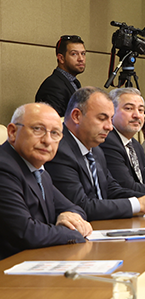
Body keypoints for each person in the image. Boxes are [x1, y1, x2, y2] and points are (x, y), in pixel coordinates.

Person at [45, 87, 145, 221]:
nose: (109, 127)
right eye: (102, 118)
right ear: (76, 116)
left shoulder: (96, 149)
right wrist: (140, 204)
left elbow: (112, 190)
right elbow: (81, 206)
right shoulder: (58, 150)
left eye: (111, 119)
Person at [0, 103, 91, 258]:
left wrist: (66, 215)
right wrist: (73, 232)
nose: (47, 140)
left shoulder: (39, 171)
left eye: (55, 133)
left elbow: (75, 208)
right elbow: (27, 233)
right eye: (37, 129)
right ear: (12, 132)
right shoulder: (4, 168)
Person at [35, 35, 86, 117]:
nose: (81, 59)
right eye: (74, 54)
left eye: (83, 53)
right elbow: (52, 121)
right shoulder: (52, 86)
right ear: (61, 58)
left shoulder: (73, 82)